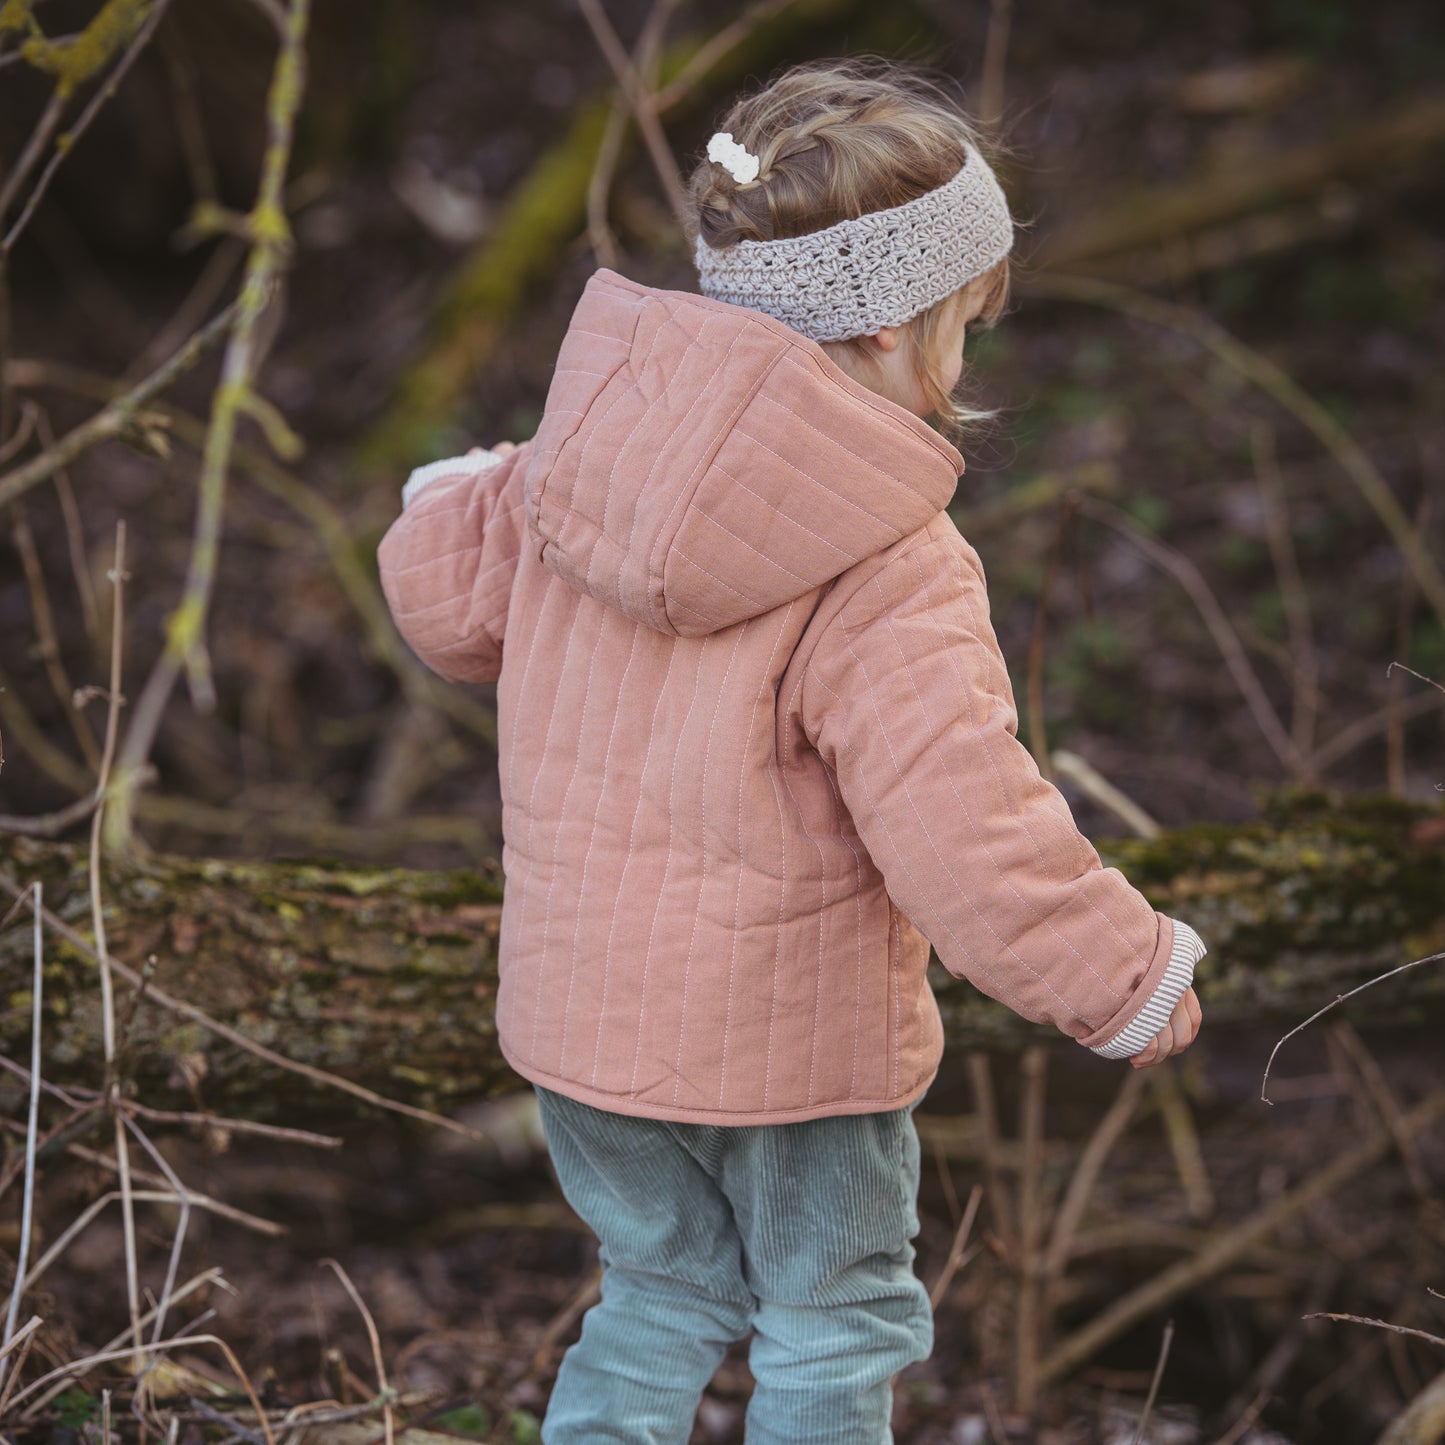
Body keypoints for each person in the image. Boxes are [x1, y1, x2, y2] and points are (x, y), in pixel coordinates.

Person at [378, 57, 1204, 1445]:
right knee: (833, 1318)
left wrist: (463, 487)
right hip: (794, 1057)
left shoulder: (574, 464)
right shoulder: (888, 560)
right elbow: (965, 821)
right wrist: (1116, 974)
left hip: (583, 1037)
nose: (963, 358)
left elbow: (445, 601)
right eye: (963, 322)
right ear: (889, 332)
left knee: (654, 1292)